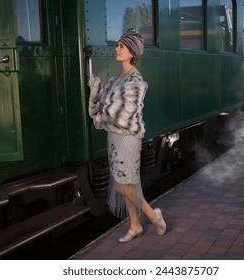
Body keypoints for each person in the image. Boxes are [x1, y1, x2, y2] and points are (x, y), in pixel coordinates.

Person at [88, 28, 166, 243]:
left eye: (121, 46)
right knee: (125, 185)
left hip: (128, 139)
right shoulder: (116, 79)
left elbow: (121, 114)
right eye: (118, 45)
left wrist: (105, 105)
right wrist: (97, 91)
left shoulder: (136, 82)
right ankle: (135, 225)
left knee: (124, 184)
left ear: (131, 51)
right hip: (114, 138)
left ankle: (153, 215)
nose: (117, 49)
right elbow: (103, 107)